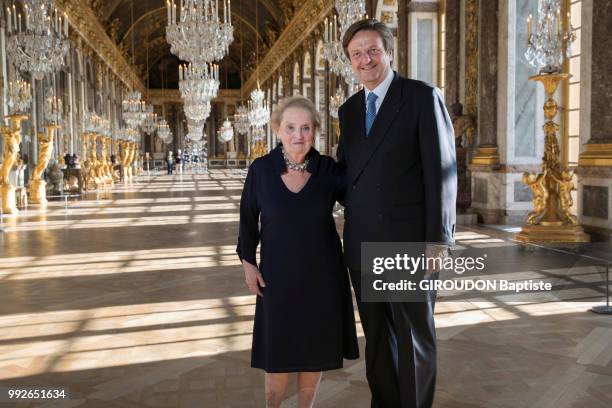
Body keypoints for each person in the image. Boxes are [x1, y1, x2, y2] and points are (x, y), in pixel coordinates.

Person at [337, 19, 457, 408]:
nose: (365, 59)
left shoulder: (421, 97)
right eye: (357, 54)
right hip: (360, 242)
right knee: (377, 338)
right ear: (350, 62)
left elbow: (442, 172)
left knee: (413, 339)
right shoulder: (350, 110)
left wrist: (439, 239)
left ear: (389, 52)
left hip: (408, 243)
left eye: (372, 50)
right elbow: (346, 174)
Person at [237, 96, 359, 408]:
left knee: (314, 353)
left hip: (323, 279)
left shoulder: (328, 170)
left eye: (306, 128)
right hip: (277, 279)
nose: (298, 135)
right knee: (277, 355)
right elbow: (248, 220)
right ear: (277, 129)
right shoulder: (261, 170)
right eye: (290, 127)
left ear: (315, 131)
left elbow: (364, 199)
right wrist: (248, 264)